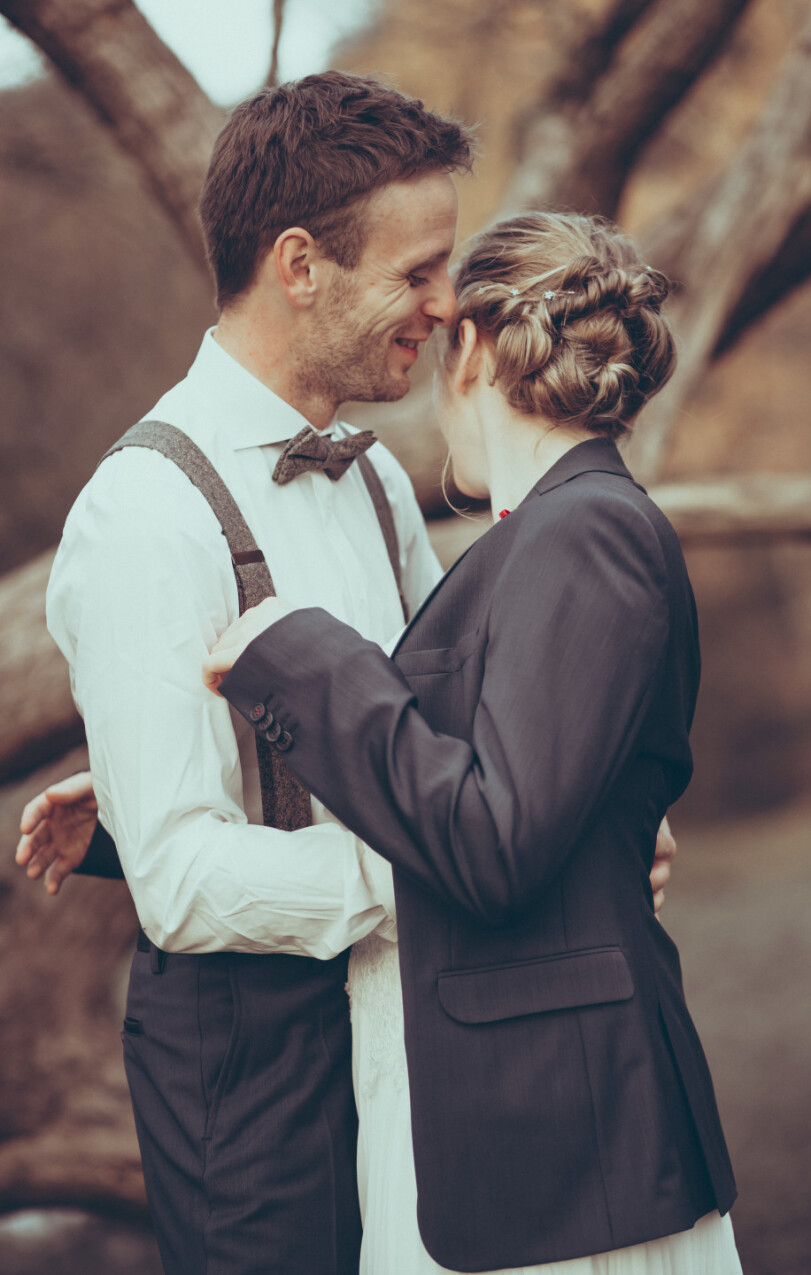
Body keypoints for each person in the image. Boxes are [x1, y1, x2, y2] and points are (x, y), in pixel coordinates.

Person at [203, 211, 743, 1274]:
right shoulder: (550, 534)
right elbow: (487, 778)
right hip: (522, 1128)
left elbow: (491, 839)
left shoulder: (580, 531)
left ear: (476, 351)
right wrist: (125, 832)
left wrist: (303, 658)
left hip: (560, 1147)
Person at [23, 71, 473, 1275]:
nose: (444, 302)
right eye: (416, 271)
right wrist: (457, 877)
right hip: (250, 1070)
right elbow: (183, 883)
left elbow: (444, 730)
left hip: (412, 1013)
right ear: (299, 264)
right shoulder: (140, 516)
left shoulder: (374, 477)